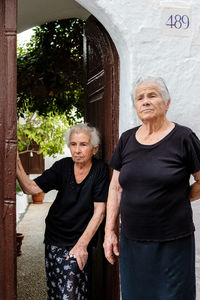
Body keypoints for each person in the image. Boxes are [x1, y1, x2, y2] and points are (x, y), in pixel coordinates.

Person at [103, 76, 200, 300]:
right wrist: (110, 232)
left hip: (173, 243)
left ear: (167, 103)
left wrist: (180, 198)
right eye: (140, 98)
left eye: (152, 95)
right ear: (136, 106)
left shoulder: (183, 137)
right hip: (133, 242)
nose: (145, 101)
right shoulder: (126, 140)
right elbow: (116, 188)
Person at [17, 123, 109, 300]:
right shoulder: (63, 167)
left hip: (79, 240)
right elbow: (31, 188)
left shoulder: (99, 170)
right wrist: (13, 158)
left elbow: (99, 212)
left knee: (71, 292)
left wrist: (81, 246)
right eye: (73, 144)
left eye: (83, 144)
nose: (77, 150)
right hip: (55, 236)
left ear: (94, 149)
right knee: (56, 289)